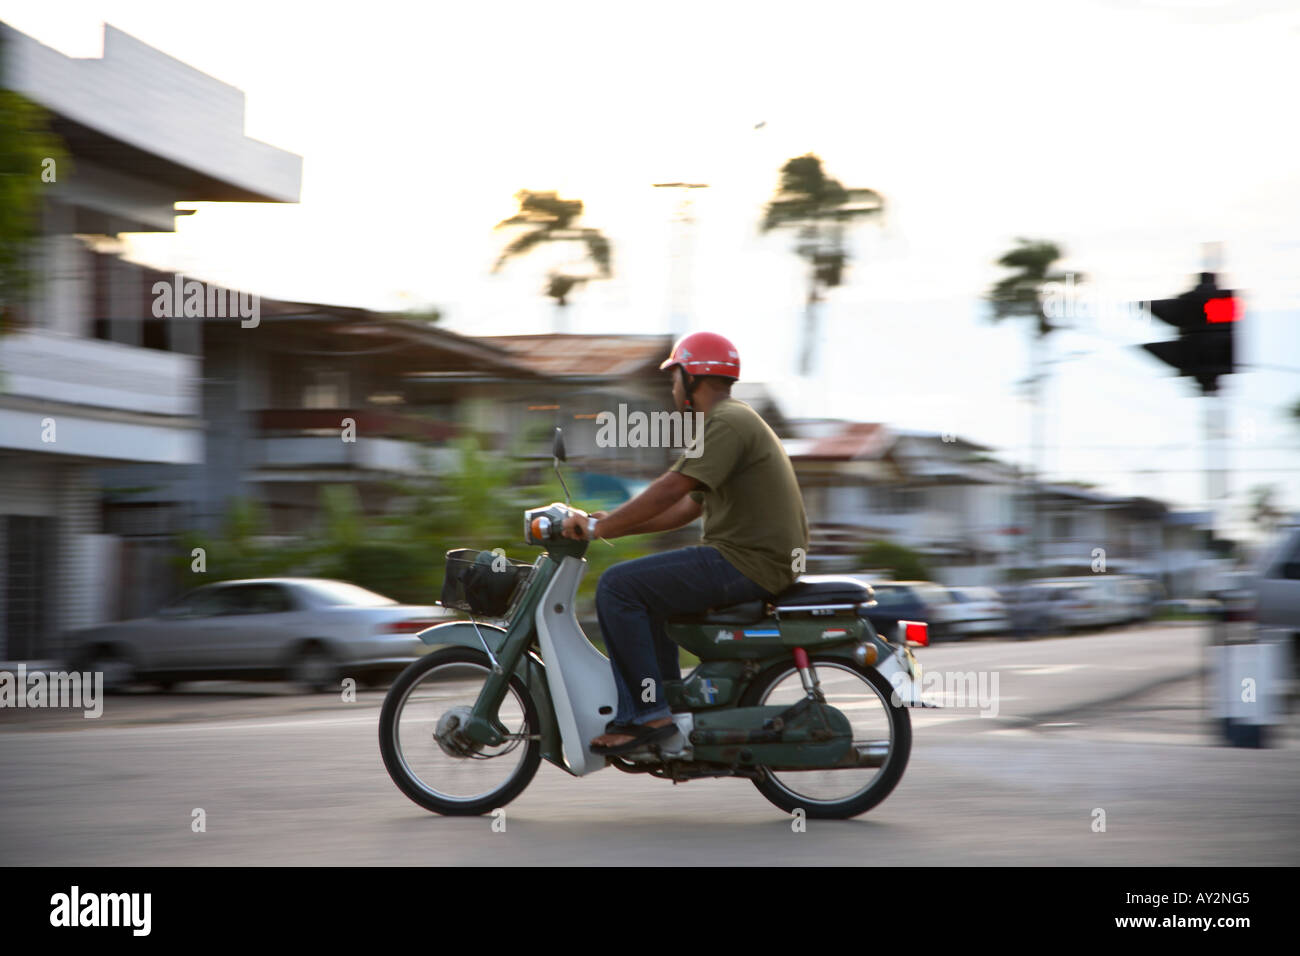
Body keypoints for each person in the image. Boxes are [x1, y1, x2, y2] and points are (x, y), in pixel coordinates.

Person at [561, 331, 809, 755]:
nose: (672, 387)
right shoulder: (732, 421)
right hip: (754, 561)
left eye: (675, 377)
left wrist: (599, 531)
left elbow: (671, 488)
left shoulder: (728, 421)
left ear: (693, 378)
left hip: (745, 563)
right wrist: (610, 524)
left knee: (619, 587)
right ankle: (666, 704)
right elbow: (686, 509)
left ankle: (647, 714)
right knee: (647, 593)